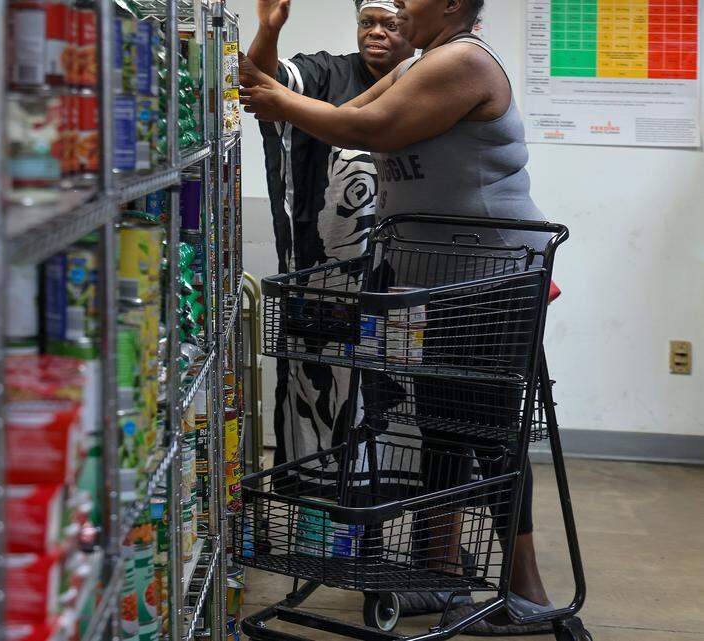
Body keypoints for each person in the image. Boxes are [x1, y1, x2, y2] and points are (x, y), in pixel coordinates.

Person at [241, 0, 558, 635]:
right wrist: (269, 63)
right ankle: (441, 572)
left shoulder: (463, 61)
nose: (397, 5)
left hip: (489, 280)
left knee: (490, 431)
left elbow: (372, 131)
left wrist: (278, 102)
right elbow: (343, 118)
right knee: (444, 427)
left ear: (448, 4)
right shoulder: (423, 62)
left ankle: (529, 590)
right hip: (435, 279)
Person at [250, 0, 414, 554]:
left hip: (399, 286)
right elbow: (266, 82)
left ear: (412, 29)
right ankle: (319, 540)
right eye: (368, 22)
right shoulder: (326, 72)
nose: (377, 33)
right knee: (320, 405)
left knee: (395, 413)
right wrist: (269, 30)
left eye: (391, 24)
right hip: (325, 284)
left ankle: (381, 541)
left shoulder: (425, 79)